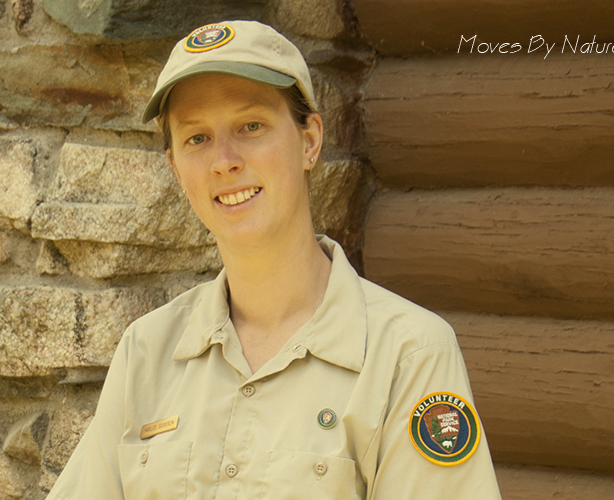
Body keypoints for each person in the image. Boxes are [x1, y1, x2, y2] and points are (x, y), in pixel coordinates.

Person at [47, 20, 501, 499]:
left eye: (251, 126)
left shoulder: (409, 354)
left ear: (309, 141)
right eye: (196, 138)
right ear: (176, 168)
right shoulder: (145, 352)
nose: (224, 160)